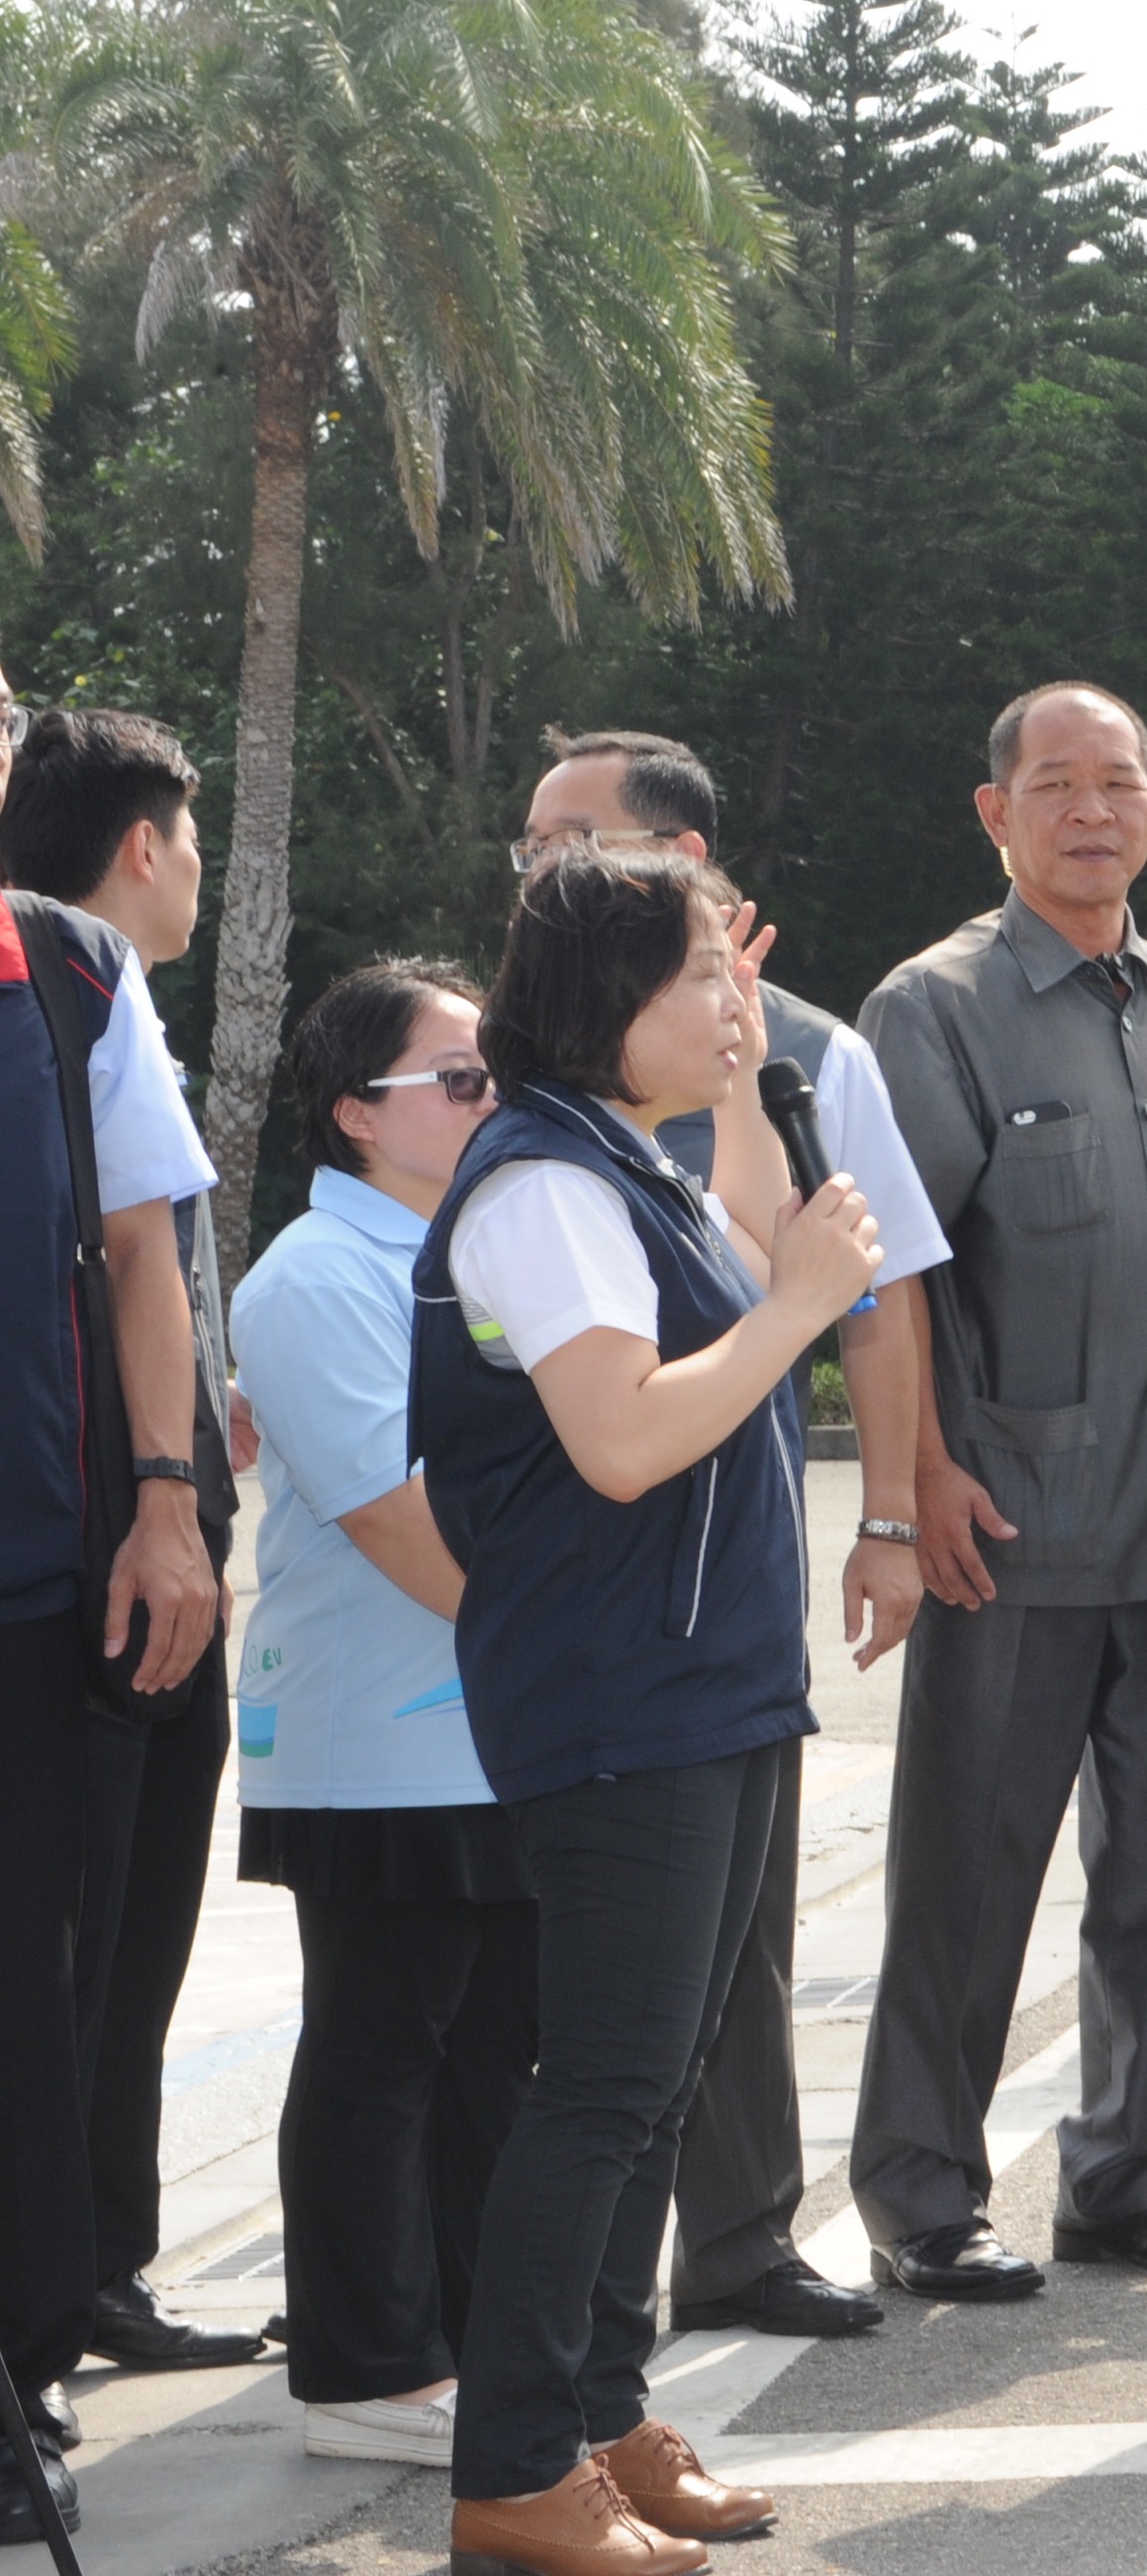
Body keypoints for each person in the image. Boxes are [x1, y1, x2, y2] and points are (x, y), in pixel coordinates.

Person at [416, 842, 875, 2574]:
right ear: (607, 995)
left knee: (658, 2079)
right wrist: (806, 1305)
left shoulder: (632, 1157)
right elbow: (623, 1435)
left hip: (708, 1681)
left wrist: (750, 1079)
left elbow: (758, 1244)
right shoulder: (539, 1181)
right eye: (699, 973)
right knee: (604, 2082)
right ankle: (519, 2471)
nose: (733, 997)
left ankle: (601, 2419)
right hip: (620, 1693)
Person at [849, 683, 1147, 2304]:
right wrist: (914, 1475)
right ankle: (921, 2190)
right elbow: (884, 1268)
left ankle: (1123, 2181)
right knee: (971, 1875)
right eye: (1056, 784)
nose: (1090, 810)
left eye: (1119, 783)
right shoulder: (936, 1007)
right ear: (998, 813)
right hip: (1016, 1517)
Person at [516, 727, 940, 2345]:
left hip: (726, 1573)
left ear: (681, 863)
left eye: (575, 837)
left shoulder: (799, 1053)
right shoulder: (520, 1088)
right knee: (600, 2020)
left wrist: (887, 1519)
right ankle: (552, 2386)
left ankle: (736, 2243)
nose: (541, 865)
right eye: (534, 844)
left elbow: (860, 1298)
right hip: (598, 1590)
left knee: (724, 1953)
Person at [228, 962, 532, 2467]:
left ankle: (469, 2350)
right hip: (380, 1737)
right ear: (357, 1112)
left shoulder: (468, 1253)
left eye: (498, 1075)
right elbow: (407, 1535)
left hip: (496, 1724)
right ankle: (362, 2369)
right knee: (379, 2048)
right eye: (462, 1079)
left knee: (490, 2054)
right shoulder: (315, 1274)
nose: (494, 1101)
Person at [0, 708, 266, 2377]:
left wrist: (168, 1501)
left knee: (67, 1957)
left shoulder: (70, 968)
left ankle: (48, 2320)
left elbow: (145, 1248)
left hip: (53, 1556)